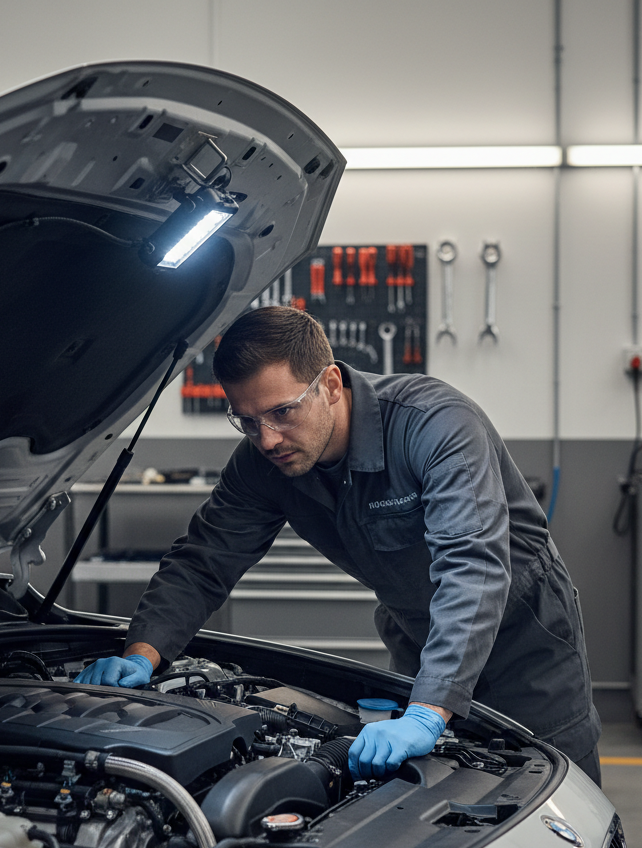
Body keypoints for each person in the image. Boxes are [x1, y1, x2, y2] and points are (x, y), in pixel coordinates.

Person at [76, 306, 602, 786]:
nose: (268, 440)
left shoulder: (436, 425)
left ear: (330, 384)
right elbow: (203, 560)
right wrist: (143, 653)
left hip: (525, 644)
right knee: (439, 803)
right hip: (418, 638)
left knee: (554, 801)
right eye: (248, 420)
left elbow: (473, 567)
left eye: (282, 412)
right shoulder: (262, 463)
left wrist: (428, 709)